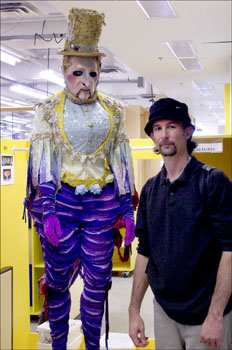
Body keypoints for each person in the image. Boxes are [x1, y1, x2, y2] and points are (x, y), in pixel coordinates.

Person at [24, 8, 137, 350]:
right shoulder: (47, 109)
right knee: (58, 282)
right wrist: (47, 207)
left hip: (102, 203)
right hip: (63, 201)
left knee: (98, 282)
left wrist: (127, 209)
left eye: (92, 73)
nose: (85, 81)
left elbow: (120, 163)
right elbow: (43, 162)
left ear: (100, 72)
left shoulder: (115, 112)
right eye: (77, 73)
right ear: (64, 72)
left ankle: (91, 345)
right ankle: (59, 344)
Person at [129, 97, 232, 350]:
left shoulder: (212, 182)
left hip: (205, 315)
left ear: (187, 132)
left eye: (172, 126)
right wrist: (133, 310)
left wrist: (216, 315)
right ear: (153, 136)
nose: (164, 134)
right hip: (165, 311)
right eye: (157, 128)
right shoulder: (151, 190)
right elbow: (145, 251)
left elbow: (230, 251)